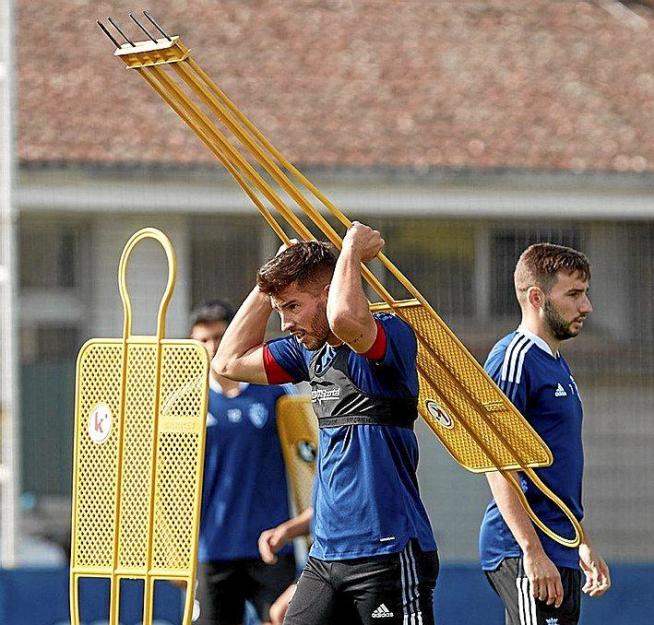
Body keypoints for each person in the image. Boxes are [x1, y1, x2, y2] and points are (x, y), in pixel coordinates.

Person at [212, 223, 439, 625]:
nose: (284, 324)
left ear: (327, 294)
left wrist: (349, 249)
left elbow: (347, 320)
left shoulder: (389, 335)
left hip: (386, 549)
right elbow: (227, 361)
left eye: (293, 307)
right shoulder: (307, 355)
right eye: (280, 311)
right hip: (327, 553)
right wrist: (269, 287)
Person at [479, 243, 611, 625]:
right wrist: (532, 552)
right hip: (523, 549)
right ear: (536, 297)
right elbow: (496, 461)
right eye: (573, 294)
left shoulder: (557, 364)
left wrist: (582, 543)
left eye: (584, 293)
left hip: (561, 547)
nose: (586, 307)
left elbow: (555, 472)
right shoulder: (513, 358)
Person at [190, 300, 296, 625]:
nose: (213, 347)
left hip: (271, 544)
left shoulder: (275, 394)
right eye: (203, 341)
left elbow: (307, 460)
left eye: (220, 337)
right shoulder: (188, 404)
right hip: (212, 548)